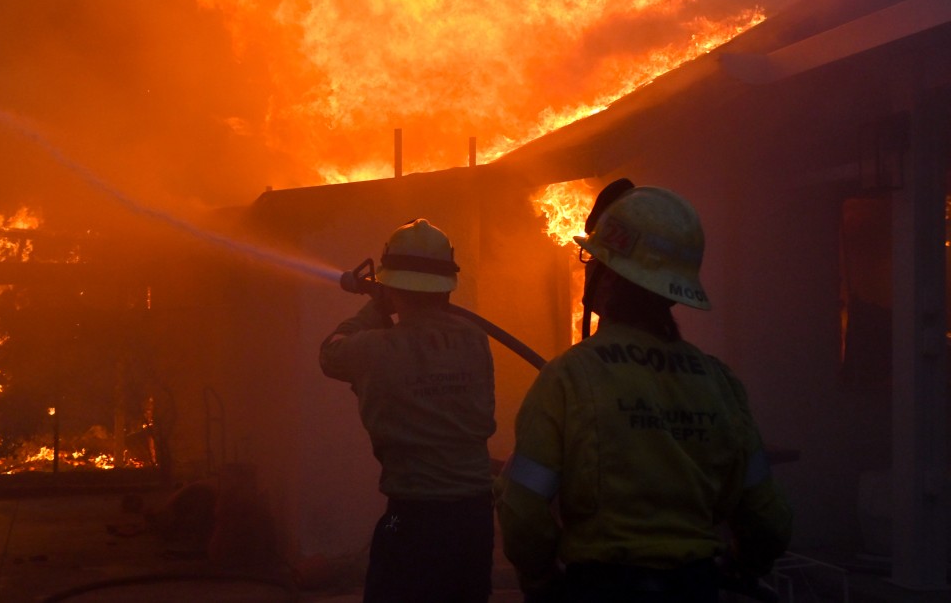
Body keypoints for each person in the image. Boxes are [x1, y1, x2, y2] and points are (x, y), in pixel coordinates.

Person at [495, 181, 792, 602]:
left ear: (606, 275)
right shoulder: (719, 384)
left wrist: (540, 580)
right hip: (696, 587)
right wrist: (743, 569)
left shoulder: (570, 378)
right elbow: (769, 521)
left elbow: (522, 511)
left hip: (600, 588)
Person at [320, 218, 497, 603]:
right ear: (446, 286)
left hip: (409, 517)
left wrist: (374, 308)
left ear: (391, 287)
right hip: (474, 521)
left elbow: (330, 352)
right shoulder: (475, 341)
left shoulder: (374, 349)